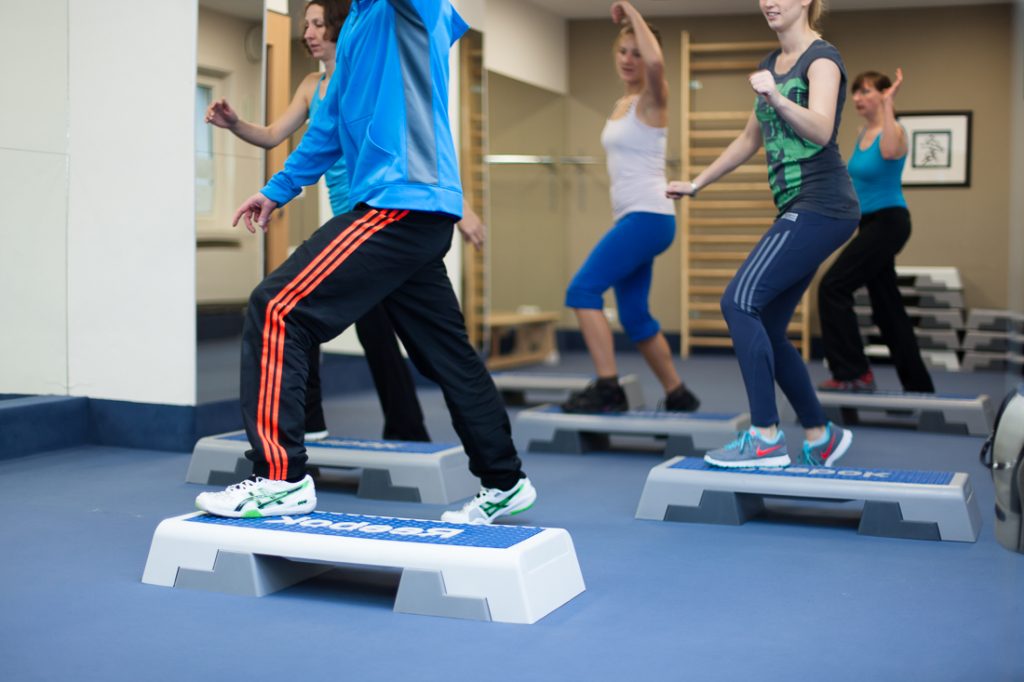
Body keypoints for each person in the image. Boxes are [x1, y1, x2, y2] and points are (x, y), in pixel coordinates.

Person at [195, 0, 535, 525]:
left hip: (401, 204)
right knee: (447, 355)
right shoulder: (355, 29)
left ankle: (278, 479)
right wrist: (276, 191)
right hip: (409, 213)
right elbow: (326, 131)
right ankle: (505, 480)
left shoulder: (411, 11)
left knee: (276, 308)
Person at [206, 0, 433, 443]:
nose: (308, 33)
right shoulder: (313, 86)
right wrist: (236, 125)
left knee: (388, 334)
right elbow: (274, 135)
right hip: (348, 222)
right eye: (304, 25)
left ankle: (408, 430)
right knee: (311, 316)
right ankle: (316, 422)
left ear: (338, 24)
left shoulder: (367, 73)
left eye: (316, 23)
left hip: (383, 215)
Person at [666, 0, 858, 468]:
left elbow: (820, 128)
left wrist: (776, 96)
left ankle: (765, 435)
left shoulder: (822, 60)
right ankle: (819, 433)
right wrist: (697, 183)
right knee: (769, 327)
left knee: (737, 302)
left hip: (823, 204)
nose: (769, 1)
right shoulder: (770, 66)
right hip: (799, 207)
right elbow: (749, 139)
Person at [561, 1, 700, 415]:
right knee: (635, 316)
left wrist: (634, 15)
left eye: (637, 52)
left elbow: (657, 64)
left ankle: (608, 388)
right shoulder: (622, 103)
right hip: (635, 218)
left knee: (582, 291)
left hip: (649, 215)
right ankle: (678, 393)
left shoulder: (653, 100)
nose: (628, 59)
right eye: (623, 51)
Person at [817, 68, 935, 393]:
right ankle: (920, 387)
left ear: (883, 95)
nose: (857, 97)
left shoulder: (893, 130)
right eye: (856, 92)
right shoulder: (861, 133)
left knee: (833, 287)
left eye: (866, 91)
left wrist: (889, 105)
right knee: (888, 309)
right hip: (869, 223)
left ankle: (853, 372)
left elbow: (888, 152)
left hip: (889, 221)